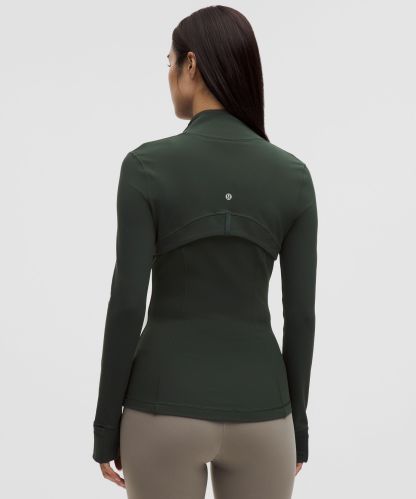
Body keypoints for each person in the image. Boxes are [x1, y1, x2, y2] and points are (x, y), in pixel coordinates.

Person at [92, 5, 318, 499]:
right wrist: (297, 428)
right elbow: (301, 317)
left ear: (190, 64)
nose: (168, 74)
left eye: (169, 62)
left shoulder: (146, 167)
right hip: (264, 412)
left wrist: (106, 426)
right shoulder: (293, 177)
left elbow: (127, 304)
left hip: (161, 407)